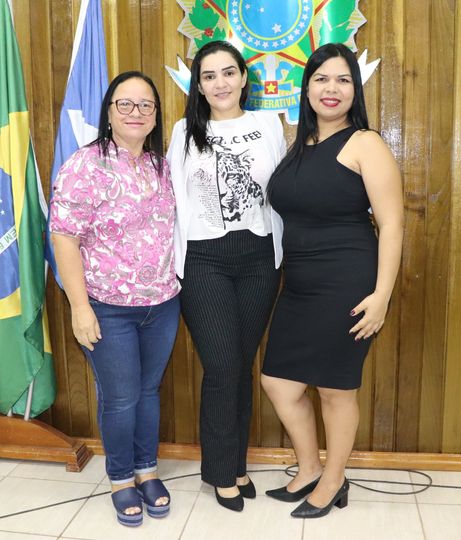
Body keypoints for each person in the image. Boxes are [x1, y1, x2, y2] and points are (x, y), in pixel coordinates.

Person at [261, 43, 404, 519]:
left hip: (347, 282)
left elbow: (392, 225)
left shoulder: (366, 143)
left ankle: (334, 479)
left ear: (354, 91)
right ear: (306, 88)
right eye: (322, 78)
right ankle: (308, 469)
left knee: (335, 389)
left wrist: (381, 296)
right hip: (299, 284)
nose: (331, 88)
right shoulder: (298, 147)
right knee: (279, 382)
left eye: (343, 80)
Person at [50, 71, 180, 527]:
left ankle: (147, 470)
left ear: (156, 114)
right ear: (109, 111)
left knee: (147, 392)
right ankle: (121, 478)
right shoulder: (85, 165)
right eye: (125, 104)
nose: (136, 113)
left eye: (146, 105)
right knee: (121, 398)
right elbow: (64, 237)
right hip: (107, 307)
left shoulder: (162, 165)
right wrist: (79, 308)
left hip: (163, 304)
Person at [166, 40, 286, 512]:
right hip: (204, 261)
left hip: (259, 259)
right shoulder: (183, 131)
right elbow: (174, 200)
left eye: (228, 72)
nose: (220, 83)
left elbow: (280, 189)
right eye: (210, 75)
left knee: (241, 363)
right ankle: (220, 472)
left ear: (243, 78)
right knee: (221, 366)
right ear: (199, 85)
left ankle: (236, 464)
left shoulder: (267, 124)